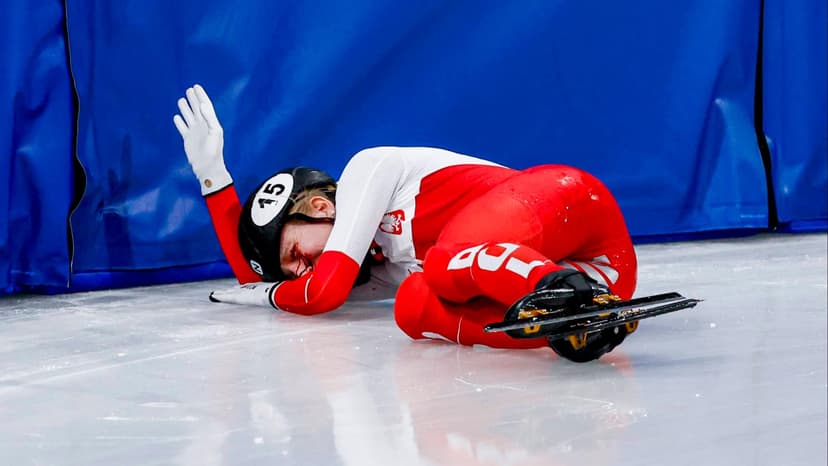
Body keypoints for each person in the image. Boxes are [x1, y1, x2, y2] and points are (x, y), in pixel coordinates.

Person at [173, 84, 639, 362]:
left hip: (571, 201)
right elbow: (257, 281)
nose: (299, 272)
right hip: (608, 275)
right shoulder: (375, 270)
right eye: (292, 270)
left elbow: (319, 293)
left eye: (296, 255)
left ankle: (558, 289)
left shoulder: (366, 169)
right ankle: (566, 325)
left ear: (317, 208)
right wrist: (213, 178)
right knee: (413, 306)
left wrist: (270, 295)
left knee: (437, 267)